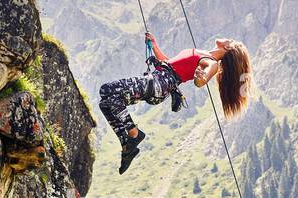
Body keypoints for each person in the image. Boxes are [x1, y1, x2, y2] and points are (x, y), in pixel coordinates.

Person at [98, 36, 253, 173]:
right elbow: (171, 64)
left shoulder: (211, 63)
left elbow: (202, 80)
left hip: (159, 84)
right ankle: (127, 144)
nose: (228, 38)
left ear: (228, 47)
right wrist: (155, 46)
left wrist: (200, 78)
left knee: (107, 90)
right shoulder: (204, 53)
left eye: (231, 41)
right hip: (160, 81)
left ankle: (134, 134)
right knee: (105, 103)